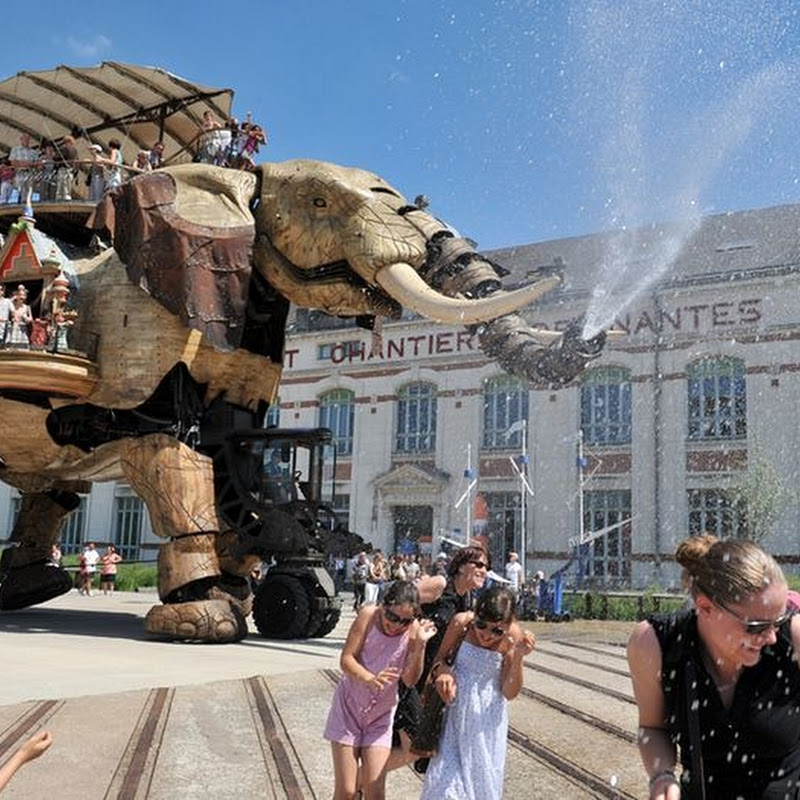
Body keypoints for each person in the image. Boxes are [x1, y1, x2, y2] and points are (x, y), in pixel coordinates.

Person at [627, 534, 800, 799]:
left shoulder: (795, 639)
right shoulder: (655, 644)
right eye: (756, 627)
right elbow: (653, 727)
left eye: (779, 620)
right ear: (705, 608)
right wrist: (661, 775)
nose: (772, 637)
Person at [419, 586, 535, 800]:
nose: (487, 635)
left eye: (497, 630)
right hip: (454, 717)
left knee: (481, 790)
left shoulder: (514, 636)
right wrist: (444, 672)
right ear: (475, 613)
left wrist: (517, 656)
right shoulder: (461, 623)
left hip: (486, 725)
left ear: (509, 625)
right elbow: (438, 660)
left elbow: (509, 692)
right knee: (443, 789)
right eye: (481, 625)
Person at [323, 580, 435, 800]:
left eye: (405, 621)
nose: (396, 625)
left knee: (375, 792)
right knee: (346, 790)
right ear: (384, 605)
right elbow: (346, 659)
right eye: (391, 617)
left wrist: (420, 645)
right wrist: (369, 678)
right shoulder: (368, 615)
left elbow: (410, 680)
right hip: (349, 710)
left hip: (380, 717)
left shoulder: (412, 631)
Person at [390, 543, 491, 774]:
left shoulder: (467, 600)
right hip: (406, 673)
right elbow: (398, 601)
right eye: (478, 564)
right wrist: (414, 629)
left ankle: (361, 784)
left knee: (414, 747)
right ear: (461, 566)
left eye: (486, 567)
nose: (483, 570)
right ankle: (358, 784)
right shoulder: (440, 585)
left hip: (425, 678)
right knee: (418, 746)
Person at [9, 133, 39, 205]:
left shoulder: (33, 152)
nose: (26, 140)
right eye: (25, 138)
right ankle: (17, 208)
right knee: (18, 191)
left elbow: (37, 164)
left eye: (28, 139)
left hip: (30, 173)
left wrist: (30, 164)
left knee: (29, 193)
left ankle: (27, 208)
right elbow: (12, 162)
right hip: (20, 172)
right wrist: (23, 164)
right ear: (21, 139)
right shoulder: (15, 149)